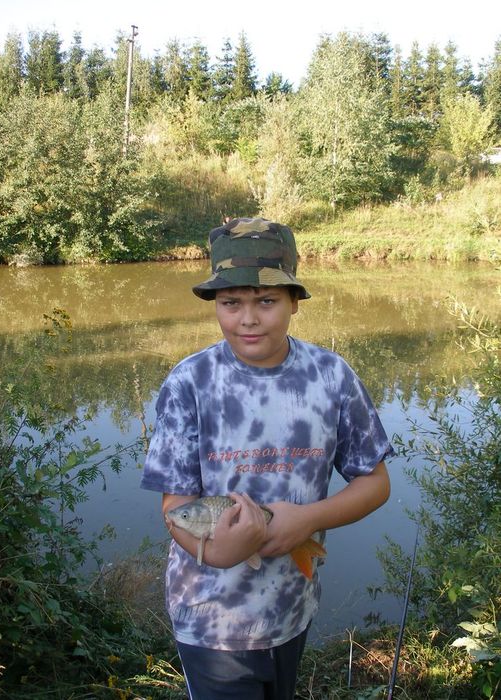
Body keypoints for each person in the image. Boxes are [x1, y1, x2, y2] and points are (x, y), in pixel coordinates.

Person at [141, 217, 393, 700]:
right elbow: (175, 509)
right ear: (216, 304)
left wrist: (310, 519)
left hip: (292, 610)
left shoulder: (332, 376)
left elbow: (376, 483)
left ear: (295, 301)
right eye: (231, 303)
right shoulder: (189, 383)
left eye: (267, 301)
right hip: (209, 620)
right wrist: (218, 553)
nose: (248, 319)